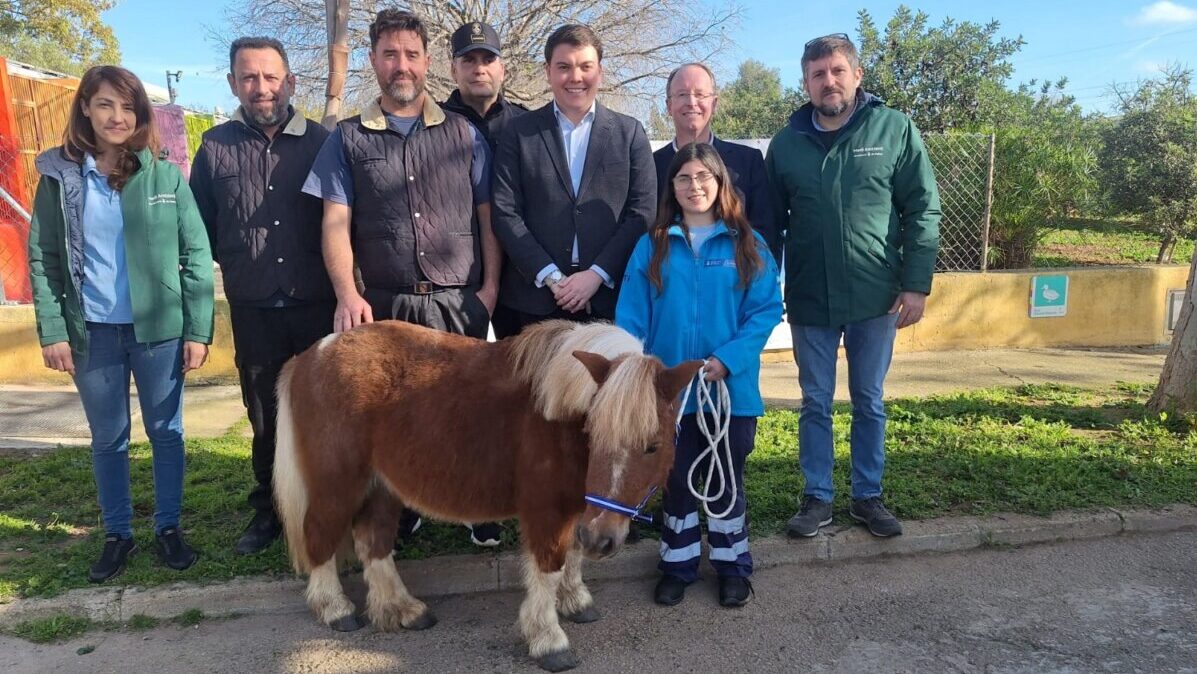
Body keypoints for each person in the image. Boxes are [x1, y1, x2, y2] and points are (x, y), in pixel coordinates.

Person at [302, 9, 501, 548]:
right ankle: (407, 505)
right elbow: (335, 222)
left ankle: (475, 506)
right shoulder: (345, 139)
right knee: (398, 419)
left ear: (428, 61)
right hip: (388, 306)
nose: (402, 65)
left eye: (411, 54)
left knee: (470, 413)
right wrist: (347, 294)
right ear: (373, 60)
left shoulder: (464, 134)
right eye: (390, 54)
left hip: (459, 301)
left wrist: (488, 292)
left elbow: (488, 219)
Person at [26, 65, 215, 582]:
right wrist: (54, 330)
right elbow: (43, 258)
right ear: (85, 108)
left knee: (166, 432)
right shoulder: (59, 177)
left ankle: (169, 527)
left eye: (128, 107)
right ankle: (117, 534)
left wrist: (198, 330)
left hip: (159, 331)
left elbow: (196, 253)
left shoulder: (163, 175)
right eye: (106, 104)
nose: (117, 116)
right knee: (108, 437)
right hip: (93, 333)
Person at [766, 34, 941, 539]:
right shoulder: (786, 144)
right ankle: (817, 497)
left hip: (875, 296)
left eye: (837, 71)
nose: (829, 81)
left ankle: (868, 496)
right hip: (810, 297)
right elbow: (768, 226)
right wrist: (764, 290)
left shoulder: (894, 128)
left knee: (868, 400)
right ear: (806, 83)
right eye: (818, 74)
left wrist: (916, 284)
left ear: (857, 75)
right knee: (815, 401)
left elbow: (922, 209)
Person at [616, 142, 782, 608]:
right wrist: (647, 375)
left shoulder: (748, 243)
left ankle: (733, 566)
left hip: (729, 392)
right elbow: (631, 318)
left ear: (720, 182)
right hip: (668, 396)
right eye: (684, 178)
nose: (695, 186)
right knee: (675, 480)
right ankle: (678, 564)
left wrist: (728, 359)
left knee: (726, 480)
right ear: (672, 187)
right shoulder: (652, 246)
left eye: (704, 176)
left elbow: (765, 310)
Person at [189, 37, 334, 555]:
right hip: (253, 307)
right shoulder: (214, 147)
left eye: (271, 77)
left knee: (325, 413)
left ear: (290, 81)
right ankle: (270, 510)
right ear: (233, 84)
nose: (261, 87)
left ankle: (327, 506)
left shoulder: (323, 143)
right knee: (265, 416)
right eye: (249, 77)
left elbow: (341, 221)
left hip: (316, 303)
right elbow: (201, 229)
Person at [492, 23, 655, 326]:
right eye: (564, 67)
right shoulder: (518, 132)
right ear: (548, 71)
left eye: (585, 66)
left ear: (600, 72)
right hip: (532, 304)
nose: (575, 77)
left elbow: (642, 213)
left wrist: (596, 274)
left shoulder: (629, 133)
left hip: (608, 303)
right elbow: (505, 211)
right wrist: (552, 277)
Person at [440, 20, 528, 347]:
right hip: (454, 273)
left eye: (488, 60)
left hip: (520, 275)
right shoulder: (433, 124)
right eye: (469, 60)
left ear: (502, 69)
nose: (479, 69)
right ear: (453, 69)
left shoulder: (528, 125)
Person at [652, 63, 778, 261]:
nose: (691, 102)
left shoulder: (748, 162)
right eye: (682, 94)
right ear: (669, 106)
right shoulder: (650, 166)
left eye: (700, 94)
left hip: (737, 278)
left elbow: (767, 234)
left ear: (714, 103)